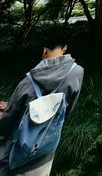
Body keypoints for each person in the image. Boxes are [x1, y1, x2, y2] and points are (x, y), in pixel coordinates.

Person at [0, 29, 84, 176]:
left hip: (18, 152)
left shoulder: (30, 79)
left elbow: (10, 117)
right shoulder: (77, 73)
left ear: (44, 49)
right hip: (46, 148)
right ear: (64, 49)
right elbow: (67, 110)